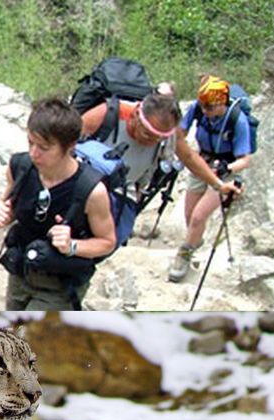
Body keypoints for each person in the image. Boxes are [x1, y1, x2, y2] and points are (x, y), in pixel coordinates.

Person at [80, 87, 241, 259]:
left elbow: (189, 158)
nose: (152, 142)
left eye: (159, 138)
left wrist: (219, 185)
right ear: (136, 115)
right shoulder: (107, 113)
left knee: (106, 247)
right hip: (85, 188)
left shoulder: (170, 131)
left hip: (124, 194)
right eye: (148, 134)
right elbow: (63, 142)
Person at [0, 98, 116, 310]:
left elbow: (107, 242)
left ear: (70, 146)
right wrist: (2, 215)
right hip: (21, 271)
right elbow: (9, 205)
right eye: (31, 143)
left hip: (61, 283)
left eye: (44, 147)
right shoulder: (19, 167)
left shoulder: (91, 190)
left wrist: (72, 246)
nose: (34, 153)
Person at [167, 75, 251, 282]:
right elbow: (181, 133)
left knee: (198, 217)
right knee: (189, 215)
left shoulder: (237, 120)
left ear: (222, 102)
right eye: (203, 106)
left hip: (227, 171)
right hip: (201, 162)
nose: (205, 111)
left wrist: (226, 167)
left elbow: (245, 159)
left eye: (210, 108)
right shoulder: (198, 107)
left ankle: (184, 255)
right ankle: (195, 241)